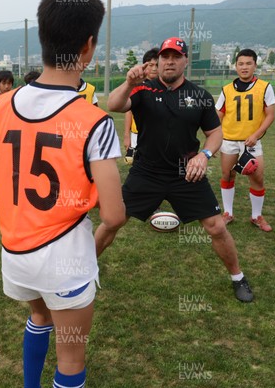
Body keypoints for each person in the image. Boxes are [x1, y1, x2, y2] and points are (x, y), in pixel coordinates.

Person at [0, 0, 125, 388]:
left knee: (37, 318)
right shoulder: (93, 121)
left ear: (42, 38)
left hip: (15, 251)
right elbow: (114, 214)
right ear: (89, 47)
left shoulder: (0, 106)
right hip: (67, 258)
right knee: (71, 356)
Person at [96, 36, 254, 303]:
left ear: (185, 62)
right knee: (112, 221)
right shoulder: (143, 90)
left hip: (186, 172)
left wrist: (204, 155)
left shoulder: (200, 95)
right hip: (146, 171)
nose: (169, 62)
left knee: (216, 227)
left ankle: (238, 278)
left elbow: (215, 133)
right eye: (165, 57)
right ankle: (85, 270)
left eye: (175, 57)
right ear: (158, 61)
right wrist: (128, 83)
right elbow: (113, 105)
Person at [215, 48, 275, 231]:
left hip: (252, 143)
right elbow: (218, 114)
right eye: (241, 64)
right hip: (229, 141)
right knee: (227, 175)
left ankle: (256, 216)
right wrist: (215, 139)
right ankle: (228, 213)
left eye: (248, 63)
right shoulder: (226, 90)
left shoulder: (265, 87)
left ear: (255, 65)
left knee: (257, 178)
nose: (244, 67)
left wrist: (256, 135)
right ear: (236, 66)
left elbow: (270, 115)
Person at [123, 48, 158, 163]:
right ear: (144, 66)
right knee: (138, 163)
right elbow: (128, 110)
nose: (154, 68)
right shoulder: (137, 86)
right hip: (137, 133)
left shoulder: (165, 87)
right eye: (150, 65)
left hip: (158, 134)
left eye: (157, 65)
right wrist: (127, 135)